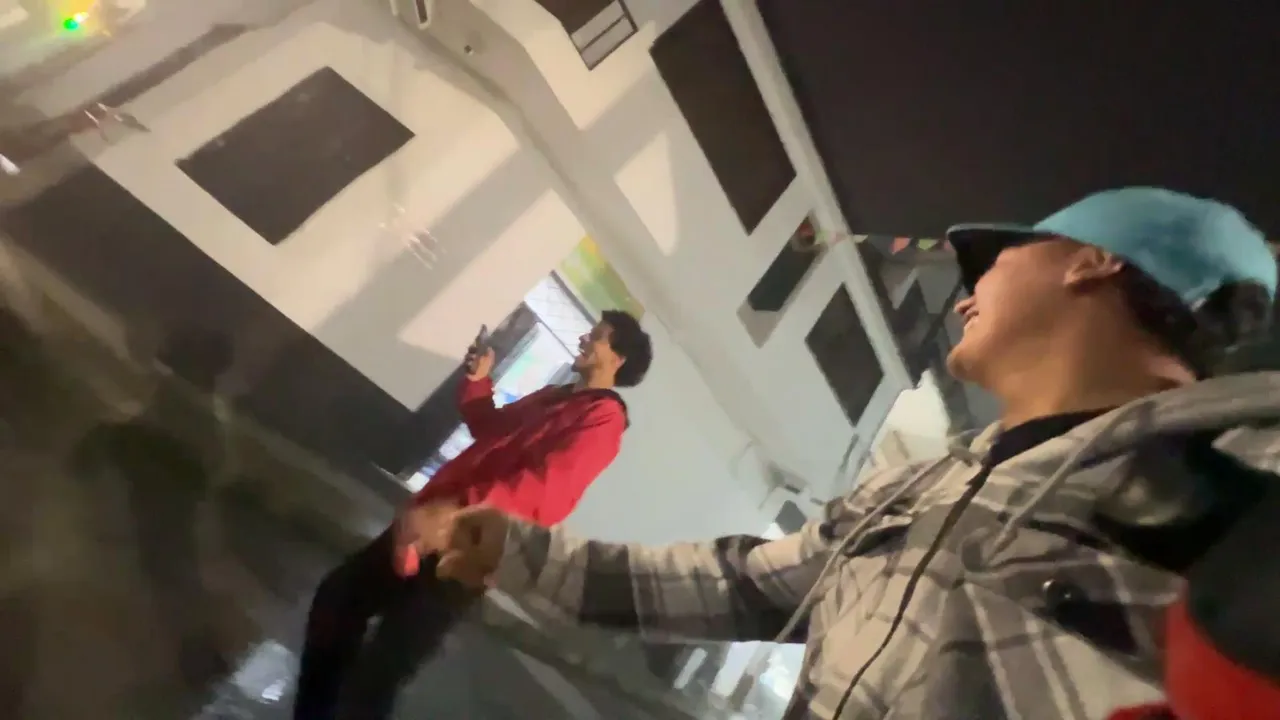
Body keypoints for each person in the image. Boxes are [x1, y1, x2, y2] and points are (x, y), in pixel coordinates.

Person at [414, 188, 1280, 719]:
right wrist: (523, 551)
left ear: (1088, 263)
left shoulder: (1245, 509)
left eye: (995, 260)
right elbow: (745, 585)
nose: (967, 293)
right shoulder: (918, 485)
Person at [293, 310, 653, 720]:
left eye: (598, 336)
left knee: (381, 670)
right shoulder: (554, 396)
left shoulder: (603, 420)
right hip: (427, 524)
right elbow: (491, 429)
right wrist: (480, 380)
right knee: (337, 602)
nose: (585, 338)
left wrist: (455, 511)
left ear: (617, 359)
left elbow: (545, 492)